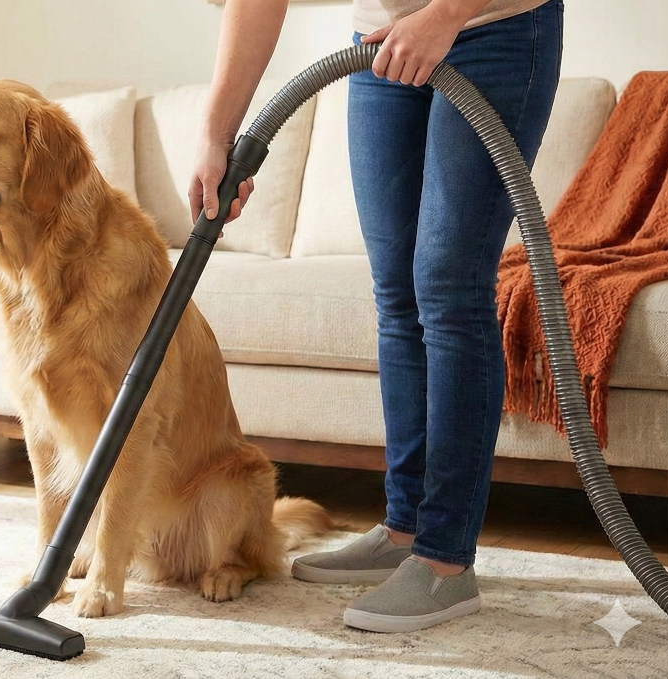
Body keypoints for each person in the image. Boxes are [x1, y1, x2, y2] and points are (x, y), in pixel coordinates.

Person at [192, 0, 562, 632]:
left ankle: (446, 562)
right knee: (397, 295)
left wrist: (445, 15)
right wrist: (214, 135)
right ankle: (403, 527)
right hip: (379, 45)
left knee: (448, 291)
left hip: (494, 30)